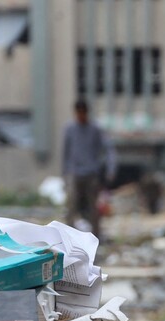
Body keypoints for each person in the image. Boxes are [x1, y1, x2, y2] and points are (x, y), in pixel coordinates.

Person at [62, 98, 116, 239]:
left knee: (93, 207)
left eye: (83, 113)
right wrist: (64, 174)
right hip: (74, 173)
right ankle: (67, 236)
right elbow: (65, 152)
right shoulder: (70, 129)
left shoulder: (95, 129)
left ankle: (95, 236)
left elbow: (108, 149)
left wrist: (110, 169)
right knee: (71, 205)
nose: (81, 116)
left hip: (91, 174)